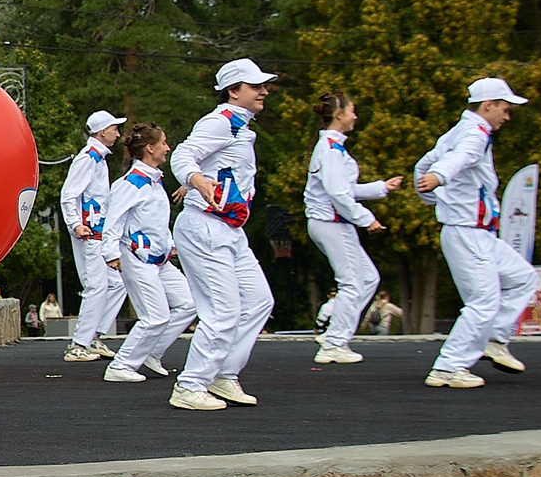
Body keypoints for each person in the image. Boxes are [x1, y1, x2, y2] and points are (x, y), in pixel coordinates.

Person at [168, 59, 277, 412]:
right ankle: (190, 384)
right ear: (233, 91)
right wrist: (195, 179)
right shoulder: (220, 122)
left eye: (264, 85)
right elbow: (184, 153)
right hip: (204, 227)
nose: (263, 91)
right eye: (255, 86)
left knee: (260, 300)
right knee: (222, 310)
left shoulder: (240, 127)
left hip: (229, 229)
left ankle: (223, 373)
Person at [415, 78, 536, 389]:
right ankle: (448, 368)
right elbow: (459, 158)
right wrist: (439, 179)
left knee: (523, 277)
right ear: (488, 106)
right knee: (483, 300)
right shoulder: (474, 133)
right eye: (505, 110)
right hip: (467, 231)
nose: (507, 117)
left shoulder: (459, 130)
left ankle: (493, 339)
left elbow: (424, 163)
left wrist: (432, 189)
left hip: (476, 232)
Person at [303, 91, 406, 368]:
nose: (355, 116)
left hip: (330, 222)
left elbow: (343, 190)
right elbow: (338, 193)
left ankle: (333, 334)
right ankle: (334, 341)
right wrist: (366, 219)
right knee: (352, 281)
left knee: (368, 278)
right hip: (331, 223)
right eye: (352, 111)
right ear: (339, 115)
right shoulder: (331, 150)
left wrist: (381, 188)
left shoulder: (333, 148)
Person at [104, 121, 195, 383]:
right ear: (150, 148)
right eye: (164, 143)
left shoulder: (153, 182)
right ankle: (121, 365)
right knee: (155, 316)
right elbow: (115, 221)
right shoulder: (130, 183)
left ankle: (151, 352)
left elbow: (154, 220)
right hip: (137, 258)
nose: (168, 148)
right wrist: (111, 254)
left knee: (188, 302)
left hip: (159, 259)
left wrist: (168, 244)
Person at [58, 110, 126, 363]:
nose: (117, 134)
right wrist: (75, 224)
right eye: (114, 129)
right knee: (96, 285)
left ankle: (94, 335)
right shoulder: (88, 158)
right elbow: (69, 194)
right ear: (102, 132)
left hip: (98, 230)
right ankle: (78, 344)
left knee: (117, 283)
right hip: (89, 231)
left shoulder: (98, 159)